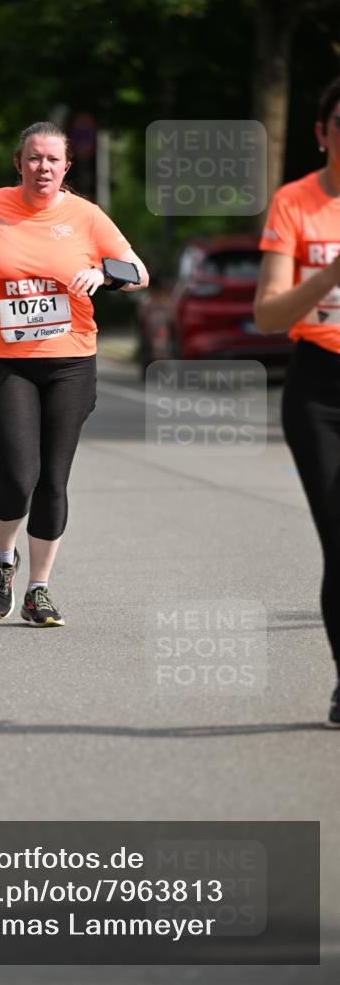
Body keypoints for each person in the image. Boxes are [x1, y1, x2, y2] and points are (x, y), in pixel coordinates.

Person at [0, 121, 149, 626]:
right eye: (34, 158)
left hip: (70, 360)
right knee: (19, 476)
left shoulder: (86, 215)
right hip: (3, 360)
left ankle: (39, 590)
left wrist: (102, 273)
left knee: (53, 479)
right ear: (19, 163)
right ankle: (2, 560)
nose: (43, 168)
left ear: (66, 167)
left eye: (53, 160)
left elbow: (139, 273)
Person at [254, 78, 340, 728]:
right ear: (321, 133)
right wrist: (331, 273)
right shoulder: (295, 202)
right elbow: (266, 314)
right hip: (319, 389)